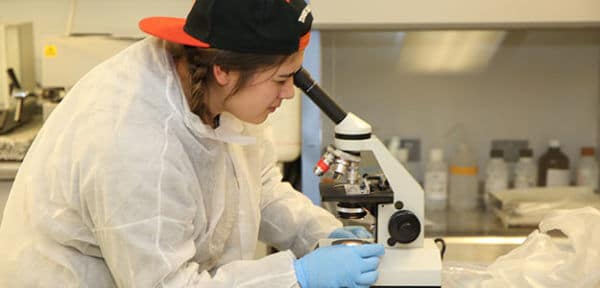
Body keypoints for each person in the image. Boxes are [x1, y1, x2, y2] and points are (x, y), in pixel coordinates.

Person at [0, 0, 385, 287]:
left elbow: (260, 188)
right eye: (282, 79)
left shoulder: (226, 89)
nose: (288, 94)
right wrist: (296, 276)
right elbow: (168, 284)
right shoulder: (135, 142)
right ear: (224, 70)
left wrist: (319, 234)